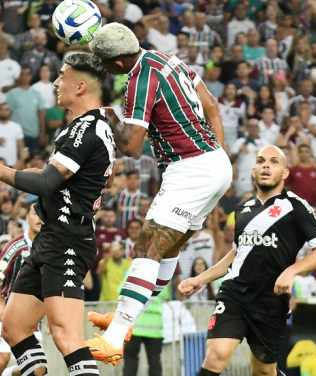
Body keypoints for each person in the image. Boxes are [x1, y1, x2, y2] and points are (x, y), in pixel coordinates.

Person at [0, 52, 114, 376]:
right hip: (50, 238)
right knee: (13, 326)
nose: (56, 83)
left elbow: (46, 182)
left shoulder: (86, 130)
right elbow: (53, 177)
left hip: (67, 240)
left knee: (66, 336)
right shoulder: (84, 128)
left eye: (62, 76)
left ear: (81, 86)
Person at [86, 22, 232, 364]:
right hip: (212, 162)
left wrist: (109, 118)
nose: (106, 72)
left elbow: (133, 147)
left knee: (147, 244)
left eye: (106, 65)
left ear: (118, 63)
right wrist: (217, 154)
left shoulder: (137, 80)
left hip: (189, 168)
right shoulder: (167, 59)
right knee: (167, 250)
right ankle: (127, 317)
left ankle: (116, 334)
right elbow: (211, 104)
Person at [178, 145, 316, 376]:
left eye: (273, 161)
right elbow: (237, 253)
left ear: (285, 173)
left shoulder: (296, 206)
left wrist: (291, 272)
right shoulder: (242, 210)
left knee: (263, 371)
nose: (266, 165)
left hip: (270, 301)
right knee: (216, 355)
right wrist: (201, 279)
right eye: (261, 161)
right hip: (235, 293)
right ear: (253, 170)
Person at [0, 204, 44, 376]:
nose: (40, 218)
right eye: (36, 214)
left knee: (37, 370)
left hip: (32, 316)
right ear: (27, 217)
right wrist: (1, 306)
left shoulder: (50, 249)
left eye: (44, 215)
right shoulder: (15, 246)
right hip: (8, 310)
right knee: (0, 360)